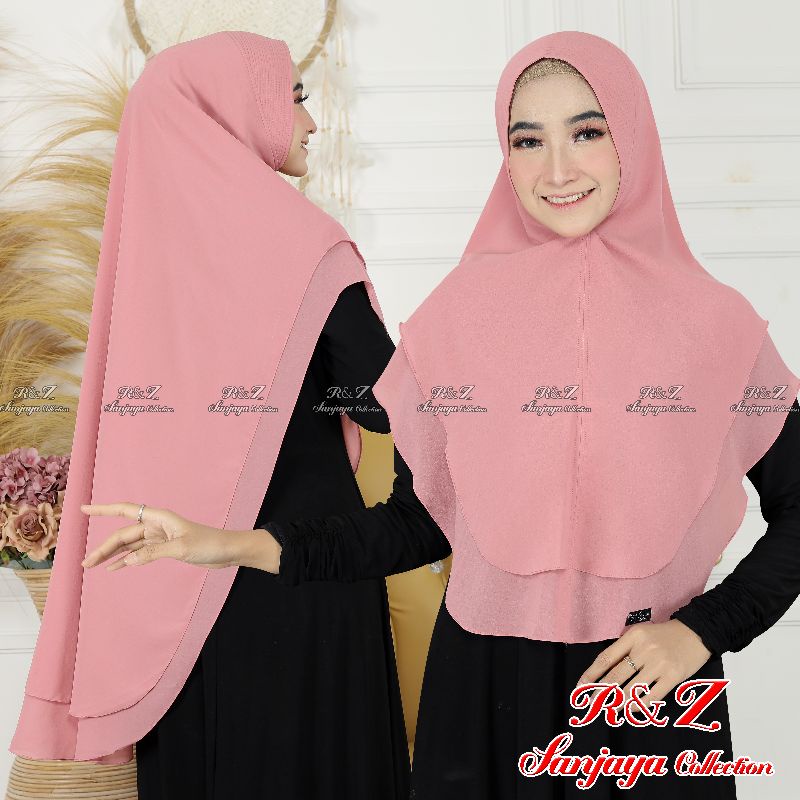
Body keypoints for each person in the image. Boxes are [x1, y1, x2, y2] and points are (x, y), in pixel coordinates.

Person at [80, 31, 800, 798]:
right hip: (480, 703)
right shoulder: (457, 320)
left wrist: (702, 631)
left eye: (587, 132)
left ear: (632, 137)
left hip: (648, 700)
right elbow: (415, 525)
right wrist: (221, 544)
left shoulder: (717, 328)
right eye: (529, 141)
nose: (557, 169)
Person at [10, 31, 413, 800]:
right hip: (303, 577)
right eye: (295, 98)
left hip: (178, 606)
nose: (311, 121)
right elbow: (387, 404)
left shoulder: (145, 265)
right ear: (235, 109)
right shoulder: (301, 242)